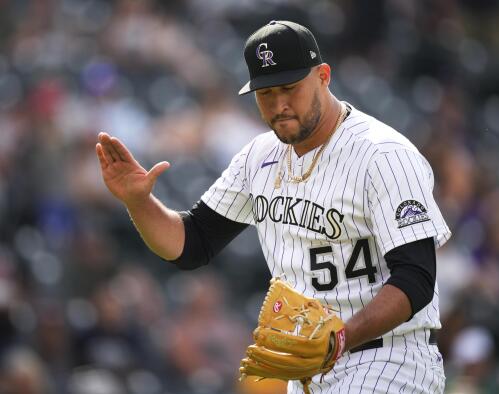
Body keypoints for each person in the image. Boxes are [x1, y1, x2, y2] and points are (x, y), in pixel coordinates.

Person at [96, 20, 451, 394]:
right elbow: (191, 243)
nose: (279, 105)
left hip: (388, 359)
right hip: (307, 369)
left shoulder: (383, 155)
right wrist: (139, 201)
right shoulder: (259, 156)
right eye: (266, 93)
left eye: (289, 88)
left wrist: (341, 339)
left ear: (323, 76)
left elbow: (416, 279)